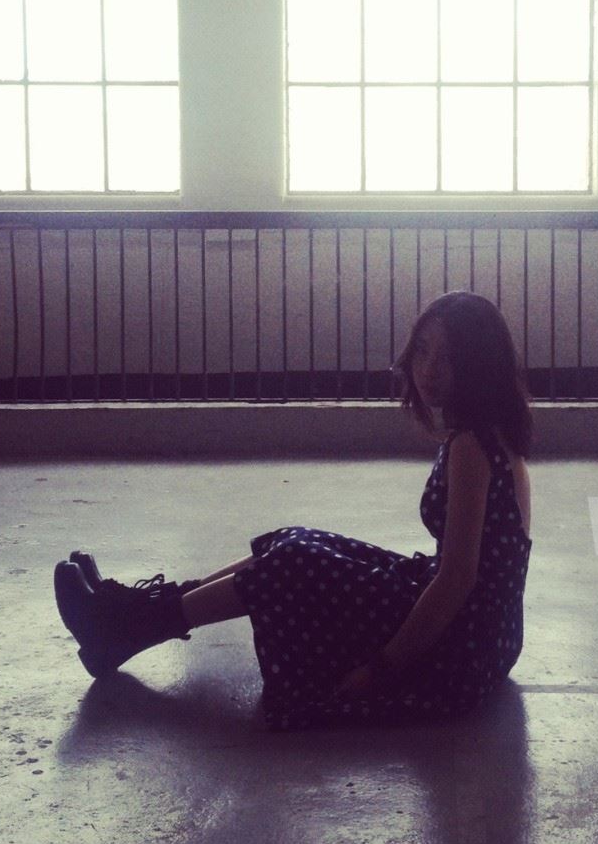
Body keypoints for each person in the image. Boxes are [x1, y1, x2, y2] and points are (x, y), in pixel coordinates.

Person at [53, 290, 534, 731]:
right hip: (485, 632)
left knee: (292, 564)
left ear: (478, 365)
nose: (428, 370)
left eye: (449, 358)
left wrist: (382, 669)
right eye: (423, 350)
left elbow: (456, 581)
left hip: (464, 647)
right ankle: (136, 616)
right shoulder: (486, 433)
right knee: (294, 540)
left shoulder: (472, 448)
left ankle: (127, 626)